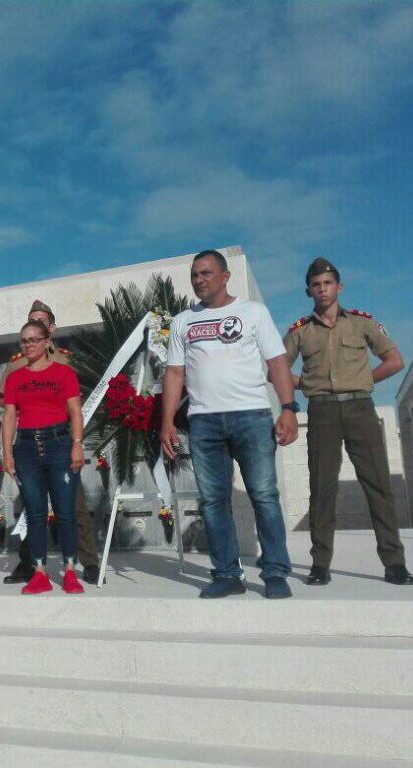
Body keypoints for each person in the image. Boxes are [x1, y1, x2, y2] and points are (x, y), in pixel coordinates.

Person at [161, 250, 299, 600]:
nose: (199, 280)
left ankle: (275, 572)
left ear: (225, 276)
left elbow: (277, 361)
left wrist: (287, 408)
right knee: (213, 501)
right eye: (194, 274)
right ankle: (226, 574)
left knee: (264, 496)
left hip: (251, 417)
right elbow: (175, 372)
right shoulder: (182, 322)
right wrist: (166, 421)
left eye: (206, 273)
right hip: (203, 423)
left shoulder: (253, 312)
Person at [284, 257, 413, 586]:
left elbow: (394, 360)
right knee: (322, 489)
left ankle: (394, 562)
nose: (322, 289)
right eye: (316, 284)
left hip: (360, 410)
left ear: (338, 287)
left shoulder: (361, 323)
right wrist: (308, 384)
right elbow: (278, 371)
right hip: (322, 412)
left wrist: (361, 379)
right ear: (308, 290)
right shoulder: (300, 331)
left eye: (328, 283)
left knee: (378, 486)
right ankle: (320, 565)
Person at [0, 300, 101, 585]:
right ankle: (30, 565)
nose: (31, 339)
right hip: (29, 445)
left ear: (50, 330)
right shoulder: (16, 367)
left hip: (60, 443)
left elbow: (77, 405)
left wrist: (76, 443)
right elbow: (5, 408)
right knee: (32, 512)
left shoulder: (67, 361)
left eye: (40, 323)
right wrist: (9, 451)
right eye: (31, 322)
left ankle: (87, 562)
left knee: (73, 508)